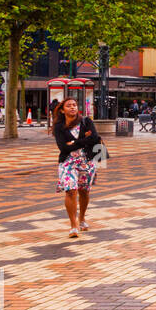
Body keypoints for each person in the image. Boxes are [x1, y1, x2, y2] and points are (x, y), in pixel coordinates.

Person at [54, 97, 101, 239]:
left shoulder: (86, 122)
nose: (73, 107)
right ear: (62, 110)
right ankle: (73, 225)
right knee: (70, 190)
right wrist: (82, 141)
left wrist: (73, 143)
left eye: (74, 105)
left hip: (86, 162)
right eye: (69, 106)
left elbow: (94, 139)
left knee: (84, 191)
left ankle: (82, 218)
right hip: (68, 163)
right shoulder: (58, 126)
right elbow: (62, 147)